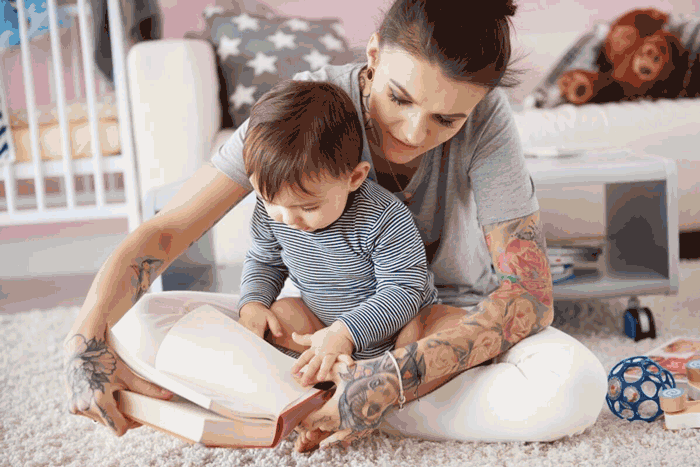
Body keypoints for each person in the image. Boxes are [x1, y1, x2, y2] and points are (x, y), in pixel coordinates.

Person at [63, 0, 607, 454]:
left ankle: (326, 402)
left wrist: (395, 379)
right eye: (399, 97)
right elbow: (170, 229)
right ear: (373, 53)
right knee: (137, 322)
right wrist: (83, 343)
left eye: (448, 119)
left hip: (437, 331)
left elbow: (530, 299)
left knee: (576, 385)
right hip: (325, 331)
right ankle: (342, 400)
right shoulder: (307, 108)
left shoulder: (489, 123)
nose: (416, 131)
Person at [236, 79, 438, 382]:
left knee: (436, 334)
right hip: (323, 325)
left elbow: (403, 291)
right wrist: (252, 303)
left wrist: (347, 331)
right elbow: (265, 260)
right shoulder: (275, 212)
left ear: (354, 178)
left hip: (397, 326)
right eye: (270, 201)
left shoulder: (383, 217)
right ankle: (331, 375)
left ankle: (381, 381)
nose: (287, 219)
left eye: (307, 207)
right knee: (278, 317)